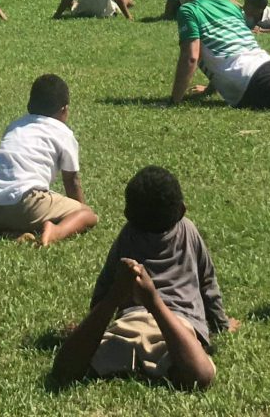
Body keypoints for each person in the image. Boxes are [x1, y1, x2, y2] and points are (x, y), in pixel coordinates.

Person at [50, 166, 235, 390]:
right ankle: (153, 302)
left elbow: (106, 284)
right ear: (182, 210)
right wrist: (221, 323)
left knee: (66, 368)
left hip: (127, 329)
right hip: (178, 330)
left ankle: (147, 302)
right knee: (199, 375)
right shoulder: (188, 230)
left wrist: (109, 302)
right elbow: (207, 283)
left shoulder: (128, 234)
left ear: (127, 214)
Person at [0, 74, 97, 247]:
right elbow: (72, 181)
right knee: (87, 215)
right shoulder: (63, 133)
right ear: (64, 110)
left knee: (28, 214)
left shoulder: (15, 126)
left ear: (29, 106)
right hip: (27, 203)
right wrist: (80, 211)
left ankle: (12, 232)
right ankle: (55, 232)